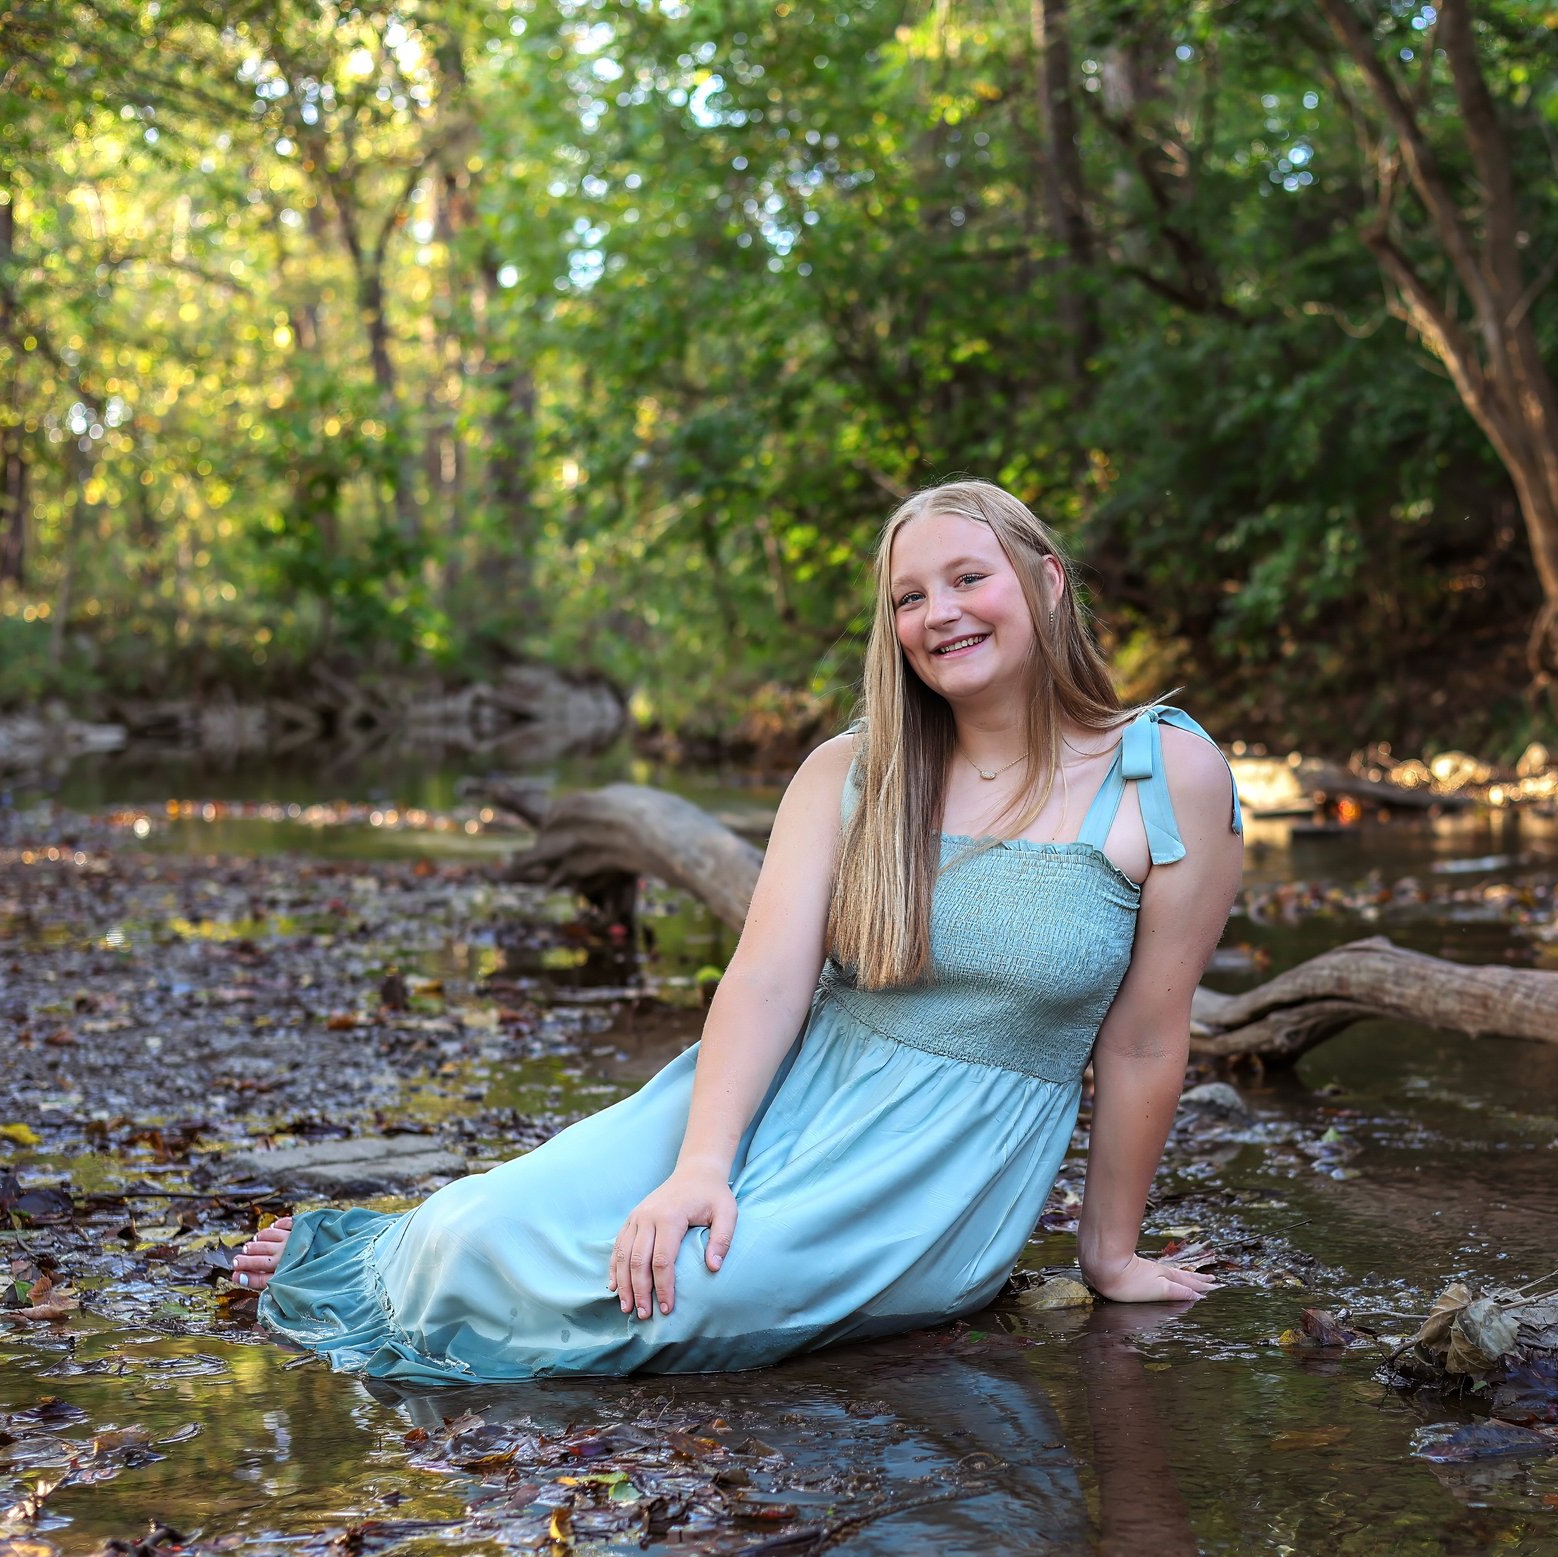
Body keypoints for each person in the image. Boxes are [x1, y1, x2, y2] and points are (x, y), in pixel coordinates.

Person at [232, 480, 1246, 1383]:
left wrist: (1107, 1255)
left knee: (675, 1300)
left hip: (929, 1175)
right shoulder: (851, 772)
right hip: (771, 1098)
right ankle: (372, 1249)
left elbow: (1147, 1038)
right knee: (470, 1231)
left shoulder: (1163, 773)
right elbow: (763, 980)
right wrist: (701, 1165)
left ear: (1048, 580)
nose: (938, 614)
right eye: (908, 597)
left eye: (967, 577)